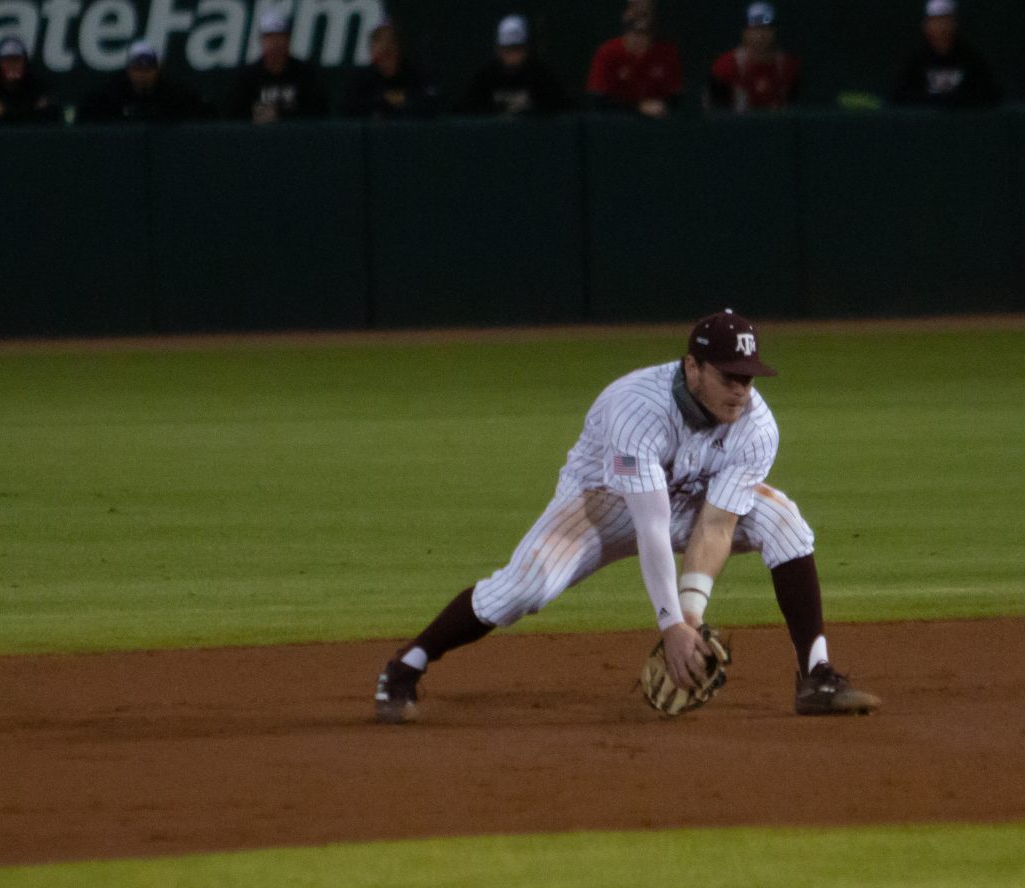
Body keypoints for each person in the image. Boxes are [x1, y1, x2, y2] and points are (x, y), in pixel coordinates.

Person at [372, 310, 880, 724]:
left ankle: (817, 674)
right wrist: (670, 626)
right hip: (602, 503)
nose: (741, 391)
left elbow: (717, 524)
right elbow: (650, 524)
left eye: (748, 378)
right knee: (524, 589)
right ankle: (407, 664)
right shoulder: (637, 407)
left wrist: (691, 618)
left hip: (691, 503)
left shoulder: (756, 424)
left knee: (784, 522)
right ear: (692, 368)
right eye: (729, 376)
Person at [585, 0, 684, 117]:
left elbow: (675, 99)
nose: (642, 12)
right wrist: (638, 108)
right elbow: (598, 102)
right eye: (635, 7)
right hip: (616, 129)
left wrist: (660, 107)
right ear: (625, 13)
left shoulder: (668, 51)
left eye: (647, 8)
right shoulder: (608, 51)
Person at [888, 0, 1002, 109]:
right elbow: (899, 95)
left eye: (946, 21)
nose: (941, 28)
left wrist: (957, 102)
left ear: (955, 24)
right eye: (936, 22)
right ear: (927, 26)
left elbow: (989, 94)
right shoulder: (915, 58)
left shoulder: (971, 57)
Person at [456, 15, 571, 117]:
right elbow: (466, 108)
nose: (512, 55)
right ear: (498, 50)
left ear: (526, 49)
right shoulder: (486, 77)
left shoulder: (541, 75)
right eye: (507, 49)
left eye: (517, 49)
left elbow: (561, 107)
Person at [232, 9, 329, 122]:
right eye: (270, 37)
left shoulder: (305, 74)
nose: (275, 43)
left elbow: (317, 112)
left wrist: (278, 114)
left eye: (280, 37)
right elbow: (236, 114)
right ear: (262, 41)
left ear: (288, 40)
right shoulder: (248, 77)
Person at [705, 1, 800, 112]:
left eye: (766, 28)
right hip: (736, 127)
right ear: (744, 32)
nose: (760, 35)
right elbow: (712, 110)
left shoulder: (788, 66)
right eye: (755, 29)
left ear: (775, 32)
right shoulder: (725, 66)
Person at [79, 41, 206, 123]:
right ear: (128, 69)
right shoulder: (109, 95)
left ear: (158, 70)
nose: (142, 74)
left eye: (148, 69)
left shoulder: (176, 95)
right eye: (137, 68)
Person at [340, 20, 439, 118]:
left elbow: (430, 104)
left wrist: (404, 99)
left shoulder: (416, 75)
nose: (385, 58)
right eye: (381, 53)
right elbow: (347, 109)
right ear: (372, 53)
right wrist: (383, 99)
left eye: (389, 50)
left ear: (398, 49)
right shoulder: (361, 79)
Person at [0, 36, 56, 124]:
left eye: (16, 61)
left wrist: (6, 110)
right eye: (7, 61)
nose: (12, 66)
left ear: (24, 63)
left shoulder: (36, 87)